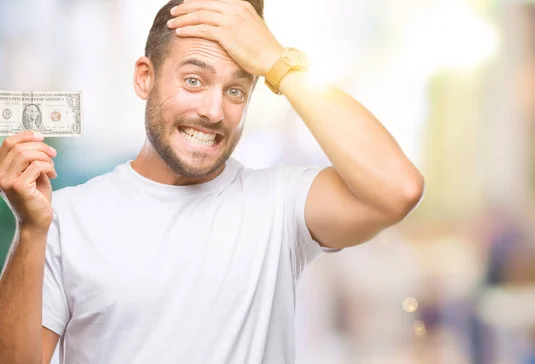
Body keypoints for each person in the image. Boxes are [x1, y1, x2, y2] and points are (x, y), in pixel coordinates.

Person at [0, 0, 424, 363]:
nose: (214, 110)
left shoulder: (281, 205)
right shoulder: (68, 218)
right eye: (193, 80)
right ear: (144, 78)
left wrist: (279, 62)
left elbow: (398, 189)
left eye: (236, 91)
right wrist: (31, 230)